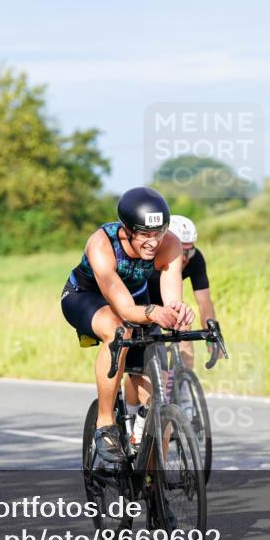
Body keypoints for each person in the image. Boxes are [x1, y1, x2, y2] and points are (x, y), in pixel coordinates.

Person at [60, 187, 194, 467]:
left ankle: (151, 478)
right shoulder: (102, 244)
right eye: (144, 234)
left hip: (136, 299)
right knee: (119, 329)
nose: (153, 242)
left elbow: (170, 298)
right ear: (127, 230)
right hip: (86, 297)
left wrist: (177, 310)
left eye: (158, 233)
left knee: (154, 388)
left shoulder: (170, 243)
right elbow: (124, 310)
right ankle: (105, 424)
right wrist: (153, 312)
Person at [124, 215, 218, 423]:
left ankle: (183, 390)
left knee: (185, 324)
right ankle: (130, 411)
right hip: (143, 307)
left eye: (190, 250)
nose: (185, 257)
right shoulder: (150, 257)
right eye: (182, 250)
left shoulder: (195, 258)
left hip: (169, 305)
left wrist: (212, 332)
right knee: (138, 364)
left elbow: (204, 301)